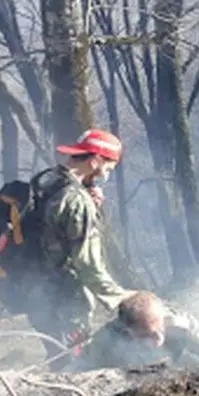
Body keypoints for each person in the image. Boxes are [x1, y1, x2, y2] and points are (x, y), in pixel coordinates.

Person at [27, 129, 134, 370]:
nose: (107, 173)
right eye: (109, 166)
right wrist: (120, 299)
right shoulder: (77, 200)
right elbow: (88, 265)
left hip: (37, 289)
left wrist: (89, 201)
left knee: (57, 355)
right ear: (95, 160)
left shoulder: (47, 180)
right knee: (73, 364)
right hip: (67, 297)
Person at [76, 291, 199, 372]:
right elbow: (84, 370)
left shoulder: (179, 325)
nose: (157, 341)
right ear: (129, 333)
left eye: (159, 332)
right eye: (147, 335)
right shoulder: (106, 340)